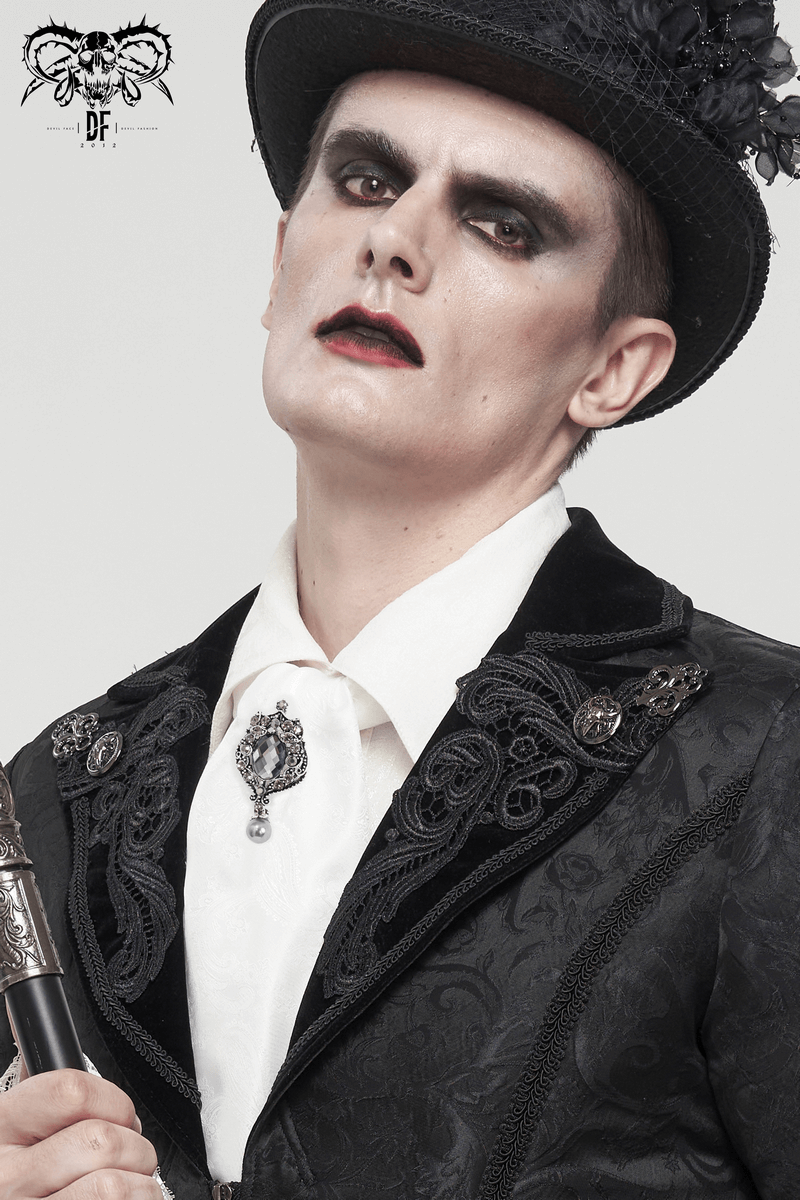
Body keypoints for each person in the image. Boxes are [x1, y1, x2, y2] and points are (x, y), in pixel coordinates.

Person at [2, 0, 800, 1197]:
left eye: (502, 224)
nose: (396, 244)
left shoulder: (761, 759)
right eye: (367, 180)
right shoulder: (55, 793)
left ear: (612, 367)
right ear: (282, 262)